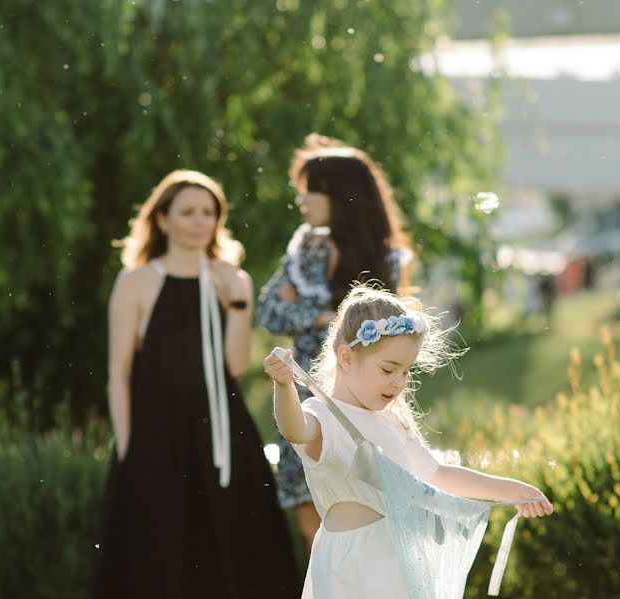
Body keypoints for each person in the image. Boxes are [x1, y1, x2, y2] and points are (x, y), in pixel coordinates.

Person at [262, 284, 553, 598]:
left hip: (397, 563)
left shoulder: (392, 421)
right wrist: (284, 387)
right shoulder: (323, 416)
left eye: (405, 371)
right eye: (388, 369)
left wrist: (511, 490)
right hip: (351, 569)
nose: (398, 383)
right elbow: (294, 430)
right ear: (347, 357)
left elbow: (439, 475)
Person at [89, 170, 300, 598]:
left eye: (209, 212)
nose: (199, 221)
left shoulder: (232, 280)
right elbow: (118, 372)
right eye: (187, 212)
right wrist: (129, 448)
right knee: (158, 552)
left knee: (233, 546)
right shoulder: (136, 282)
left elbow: (236, 364)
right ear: (163, 219)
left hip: (222, 433)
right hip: (155, 435)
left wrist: (236, 303)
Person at [256, 133, 414, 551]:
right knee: (315, 527)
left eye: (311, 192)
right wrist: (323, 316)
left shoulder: (387, 258)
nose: (301, 202)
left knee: (365, 518)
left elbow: (390, 336)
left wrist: (313, 314)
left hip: (364, 399)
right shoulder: (304, 250)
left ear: (338, 195)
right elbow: (268, 310)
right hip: (306, 392)